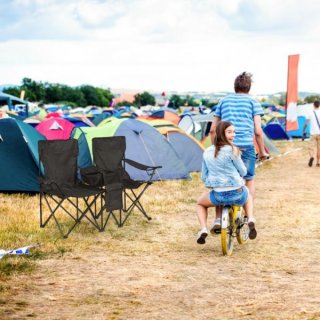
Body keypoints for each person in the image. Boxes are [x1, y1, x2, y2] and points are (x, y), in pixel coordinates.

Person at [210, 72, 268, 200]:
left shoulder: (223, 101)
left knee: (225, 178)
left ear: (235, 87)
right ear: (249, 87)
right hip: (246, 146)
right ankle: (249, 214)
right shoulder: (253, 102)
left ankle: (223, 213)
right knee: (249, 178)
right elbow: (258, 131)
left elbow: (213, 130)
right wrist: (262, 152)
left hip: (226, 145)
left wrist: (215, 148)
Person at [196, 121, 257, 244]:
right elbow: (243, 172)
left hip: (218, 195)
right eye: (229, 132)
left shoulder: (207, 152)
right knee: (248, 195)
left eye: (234, 132)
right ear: (221, 134)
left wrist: (213, 182)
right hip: (237, 193)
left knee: (200, 204)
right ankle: (250, 218)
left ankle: (204, 228)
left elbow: (203, 176)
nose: (233, 135)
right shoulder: (233, 150)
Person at [302, 100, 320, 167]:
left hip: (313, 133)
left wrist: (303, 130)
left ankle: (312, 156)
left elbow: (306, 123)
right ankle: (318, 162)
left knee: (311, 147)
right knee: (319, 148)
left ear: (313, 105)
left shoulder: (310, 112)